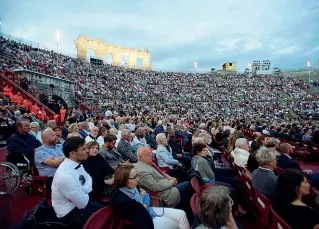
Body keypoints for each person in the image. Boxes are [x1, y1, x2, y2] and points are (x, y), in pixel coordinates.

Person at [111, 163, 190, 229]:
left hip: (149, 211)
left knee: (181, 214)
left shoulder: (132, 186)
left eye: (137, 175)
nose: (138, 179)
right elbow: (140, 213)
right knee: (175, 224)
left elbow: (146, 195)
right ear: (124, 179)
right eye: (135, 177)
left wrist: (144, 204)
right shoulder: (120, 200)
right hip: (146, 222)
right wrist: (143, 204)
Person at [51, 137, 103, 229]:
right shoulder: (65, 175)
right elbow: (82, 203)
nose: (87, 150)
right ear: (73, 154)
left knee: (105, 210)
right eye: (83, 149)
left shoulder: (76, 163)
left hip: (79, 203)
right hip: (69, 213)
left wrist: (82, 190)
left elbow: (89, 179)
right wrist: (85, 191)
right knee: (104, 217)